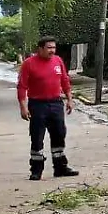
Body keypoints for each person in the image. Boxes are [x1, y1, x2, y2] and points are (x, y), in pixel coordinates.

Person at [17, 36, 79, 181]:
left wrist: (70, 99)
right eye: (49, 47)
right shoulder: (29, 64)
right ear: (40, 48)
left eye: (54, 47)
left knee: (59, 134)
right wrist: (23, 107)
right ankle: (36, 170)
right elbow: (22, 86)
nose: (52, 50)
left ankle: (60, 167)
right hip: (37, 105)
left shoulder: (58, 61)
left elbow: (65, 80)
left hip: (56, 103)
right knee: (37, 137)